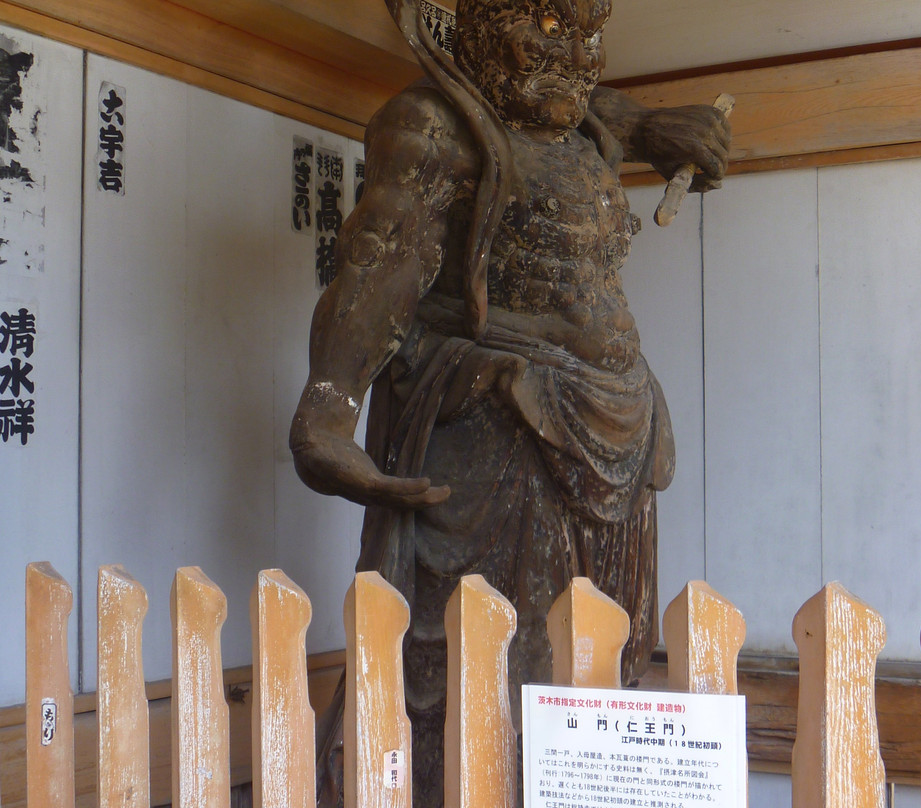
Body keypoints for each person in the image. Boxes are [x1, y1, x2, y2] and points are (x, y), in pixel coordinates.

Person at [289, 0, 730, 802]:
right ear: (477, 25)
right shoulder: (435, 125)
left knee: (598, 656)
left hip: (616, 432)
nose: (576, 53)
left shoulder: (576, 119)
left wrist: (661, 127)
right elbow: (384, 257)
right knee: (483, 666)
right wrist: (328, 405)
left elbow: (607, 107)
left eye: (590, 33)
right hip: (501, 428)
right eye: (548, 28)